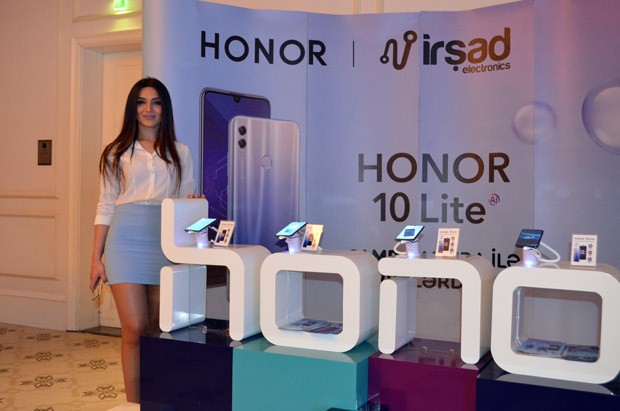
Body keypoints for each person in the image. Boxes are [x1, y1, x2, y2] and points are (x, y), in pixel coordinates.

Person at [89, 77, 199, 403]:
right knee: (135, 327)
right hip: (124, 241)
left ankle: (158, 400)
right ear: (132, 108)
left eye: (156, 102)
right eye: (141, 102)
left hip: (165, 241)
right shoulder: (115, 153)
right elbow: (105, 206)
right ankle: (134, 403)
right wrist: (95, 258)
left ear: (165, 109)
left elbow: (185, 201)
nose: (148, 109)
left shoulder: (181, 152)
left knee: (158, 330)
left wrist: (193, 203)